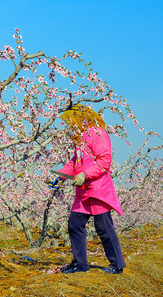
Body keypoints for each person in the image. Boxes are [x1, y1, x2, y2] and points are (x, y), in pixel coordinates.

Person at [56, 105, 126, 274]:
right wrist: (60, 175)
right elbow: (75, 161)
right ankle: (81, 265)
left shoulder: (97, 133)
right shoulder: (80, 138)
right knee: (75, 224)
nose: (69, 125)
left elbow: (104, 161)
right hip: (83, 190)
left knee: (103, 227)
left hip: (97, 189)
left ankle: (117, 265)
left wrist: (85, 175)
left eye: (71, 121)